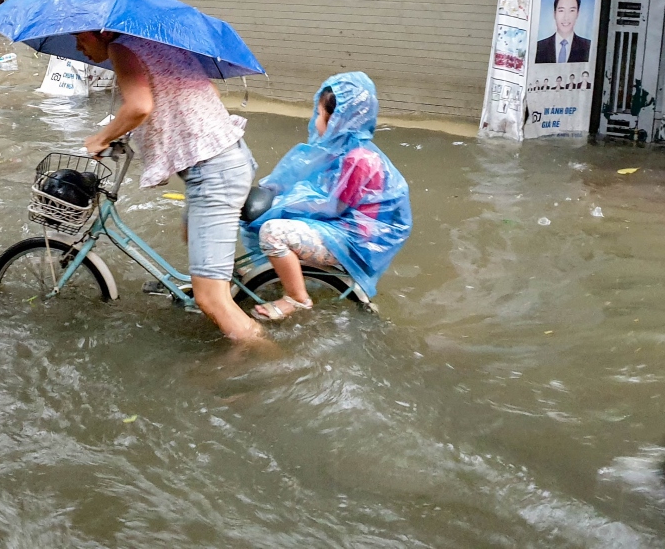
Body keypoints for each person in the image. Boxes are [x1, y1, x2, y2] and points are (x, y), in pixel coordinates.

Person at [74, 31, 262, 341]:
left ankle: (268, 359)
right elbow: (203, 93)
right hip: (229, 157)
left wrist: (101, 138)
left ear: (102, 32)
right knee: (191, 233)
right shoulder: (160, 44)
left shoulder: (122, 47)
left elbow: (139, 107)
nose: (76, 45)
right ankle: (217, 282)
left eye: (79, 36)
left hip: (214, 173)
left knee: (210, 299)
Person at [241, 73, 412, 321]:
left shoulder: (358, 159)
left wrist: (283, 203)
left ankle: (296, 298)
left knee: (272, 231)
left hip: (350, 240)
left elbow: (333, 206)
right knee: (259, 219)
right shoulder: (344, 150)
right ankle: (270, 272)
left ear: (337, 121)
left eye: (319, 114)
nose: (316, 120)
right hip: (340, 226)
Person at [535, 0, 591, 64]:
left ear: (577, 14)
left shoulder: (588, 47)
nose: (566, 17)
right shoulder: (539, 47)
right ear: (554, 14)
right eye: (561, 10)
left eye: (571, 11)